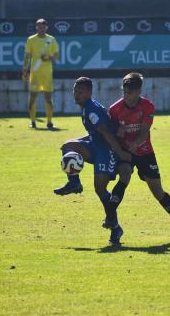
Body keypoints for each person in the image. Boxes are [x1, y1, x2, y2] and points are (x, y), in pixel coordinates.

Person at [54, 77, 132, 245]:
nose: (76, 94)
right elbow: (95, 133)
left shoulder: (91, 109)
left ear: (89, 92)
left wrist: (119, 153)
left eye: (80, 91)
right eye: (75, 90)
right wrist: (79, 141)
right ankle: (74, 183)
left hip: (106, 151)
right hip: (95, 145)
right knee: (67, 147)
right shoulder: (86, 107)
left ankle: (115, 226)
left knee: (100, 189)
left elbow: (105, 132)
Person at [107, 72, 170, 239]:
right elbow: (111, 134)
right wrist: (119, 135)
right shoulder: (114, 110)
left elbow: (144, 133)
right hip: (125, 152)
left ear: (138, 91)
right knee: (125, 176)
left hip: (144, 152)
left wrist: (133, 144)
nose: (126, 96)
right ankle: (110, 214)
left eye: (130, 92)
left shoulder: (147, 106)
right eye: (124, 92)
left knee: (157, 191)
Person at [22, 18, 59, 130]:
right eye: (38, 26)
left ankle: (49, 122)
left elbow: (56, 56)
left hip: (47, 74)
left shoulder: (51, 40)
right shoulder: (31, 40)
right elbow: (27, 56)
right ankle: (33, 122)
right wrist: (25, 69)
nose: (41, 28)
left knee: (48, 98)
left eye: (43, 26)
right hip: (35, 73)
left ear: (46, 27)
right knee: (33, 97)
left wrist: (47, 57)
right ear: (36, 28)